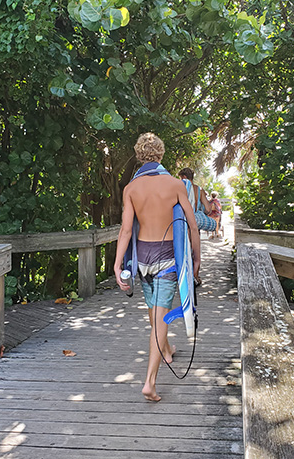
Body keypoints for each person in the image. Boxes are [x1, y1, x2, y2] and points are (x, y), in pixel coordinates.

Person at [114, 133, 200, 403]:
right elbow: (192, 225)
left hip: (142, 259)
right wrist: (196, 260)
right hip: (166, 259)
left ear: (139, 156)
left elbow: (126, 230)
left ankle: (168, 347)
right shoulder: (176, 185)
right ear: (161, 154)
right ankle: (149, 382)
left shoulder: (131, 189)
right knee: (159, 320)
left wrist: (118, 265)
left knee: (154, 315)